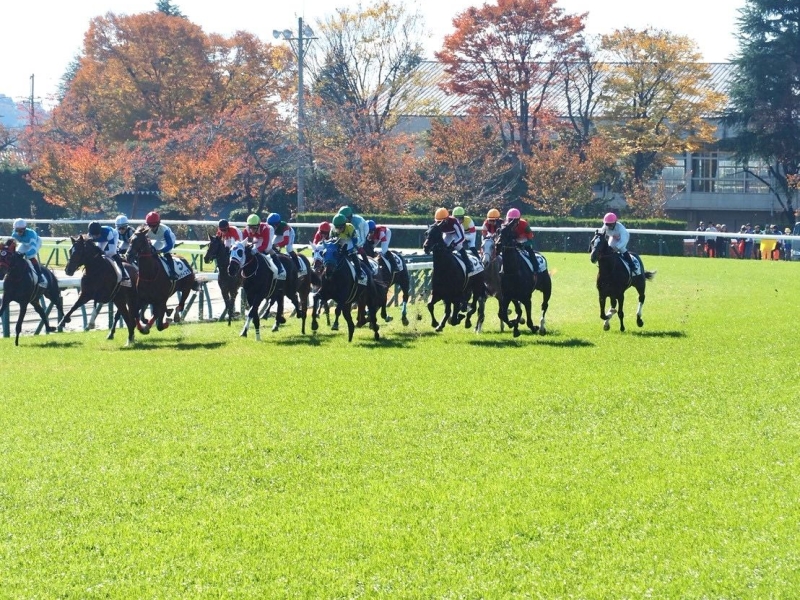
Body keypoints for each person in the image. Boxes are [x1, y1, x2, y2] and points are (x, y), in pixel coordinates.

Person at [87, 220, 131, 286]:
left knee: (112, 253)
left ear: (100, 231)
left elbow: (112, 251)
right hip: (102, 239)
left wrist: (103, 252)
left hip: (113, 235)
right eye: (94, 235)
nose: (96, 237)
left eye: (97, 234)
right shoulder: (90, 235)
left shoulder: (108, 233)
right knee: (98, 253)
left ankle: (124, 274)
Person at [243, 213, 284, 279]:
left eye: (254, 228)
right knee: (254, 248)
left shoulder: (266, 229)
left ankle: (280, 268)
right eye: (250, 227)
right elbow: (244, 243)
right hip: (258, 236)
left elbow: (265, 245)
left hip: (267, 232)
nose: (252, 230)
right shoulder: (246, 229)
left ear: (259, 225)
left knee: (267, 249)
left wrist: (256, 250)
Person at [433, 207, 472, 274]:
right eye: (438, 222)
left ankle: (469, 266)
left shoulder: (454, 222)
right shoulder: (437, 223)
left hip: (456, 234)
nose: (440, 224)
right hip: (448, 234)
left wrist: (454, 244)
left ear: (447, 219)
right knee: (444, 246)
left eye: (441, 222)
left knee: (459, 248)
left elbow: (462, 238)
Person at [10, 218, 47, 287]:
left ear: (25, 228)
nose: (19, 232)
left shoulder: (31, 234)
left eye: (21, 230)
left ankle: (40, 276)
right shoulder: (14, 234)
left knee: (30, 256)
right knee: (16, 256)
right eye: (17, 230)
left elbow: (33, 249)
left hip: (36, 242)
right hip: (24, 243)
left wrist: (25, 254)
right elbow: (12, 245)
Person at [144, 211, 178, 280]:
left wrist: (161, 251)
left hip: (168, 240)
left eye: (153, 226)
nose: (151, 228)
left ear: (158, 224)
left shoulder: (164, 230)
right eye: (149, 225)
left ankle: (173, 272)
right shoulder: (146, 229)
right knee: (151, 252)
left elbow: (169, 245)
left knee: (167, 254)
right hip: (158, 240)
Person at [332, 213, 366, 281]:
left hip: (350, 242)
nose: (338, 230)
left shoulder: (350, 227)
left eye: (340, 227)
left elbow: (355, 240)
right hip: (339, 243)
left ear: (345, 224)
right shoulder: (332, 230)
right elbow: (331, 242)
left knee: (353, 256)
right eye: (337, 227)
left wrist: (351, 250)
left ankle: (359, 272)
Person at [504, 208, 539, 274]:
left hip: (523, 241)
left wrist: (522, 244)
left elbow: (530, 239)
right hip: (511, 244)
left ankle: (536, 271)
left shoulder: (524, 225)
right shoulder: (505, 225)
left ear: (518, 220)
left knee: (531, 252)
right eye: (510, 220)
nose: (512, 223)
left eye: (514, 221)